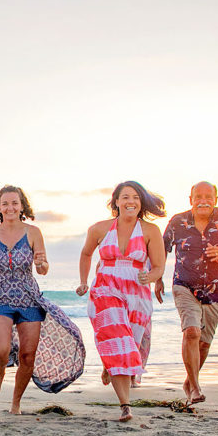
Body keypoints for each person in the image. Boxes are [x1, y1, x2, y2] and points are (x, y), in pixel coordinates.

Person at [0, 185, 86, 413]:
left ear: (22, 206)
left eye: (14, 203)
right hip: (0, 297)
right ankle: (0, 373)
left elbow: (44, 268)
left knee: (28, 356)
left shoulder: (33, 232)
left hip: (29, 298)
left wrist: (41, 264)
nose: (10, 207)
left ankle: (15, 403)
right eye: (5, 203)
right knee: (0, 350)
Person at [77, 181, 166, 422]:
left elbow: (159, 266)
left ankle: (111, 365)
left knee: (130, 345)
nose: (131, 201)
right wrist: (84, 281)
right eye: (125, 197)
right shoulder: (99, 229)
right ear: (116, 201)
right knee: (120, 341)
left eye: (136, 197)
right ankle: (125, 405)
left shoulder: (150, 231)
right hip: (106, 289)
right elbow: (86, 254)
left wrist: (152, 276)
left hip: (137, 294)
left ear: (141, 202)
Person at [156, 181, 218, 404]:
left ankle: (189, 381)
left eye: (208, 196)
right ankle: (196, 387)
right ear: (190, 200)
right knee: (191, 332)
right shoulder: (178, 222)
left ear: (216, 199)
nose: (203, 200)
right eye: (198, 196)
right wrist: (157, 278)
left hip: (217, 292)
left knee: (204, 344)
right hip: (184, 285)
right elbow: (161, 250)